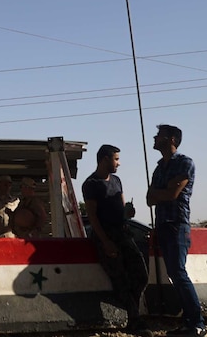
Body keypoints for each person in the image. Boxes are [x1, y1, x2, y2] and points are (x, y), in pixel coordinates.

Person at [82, 144, 151, 337]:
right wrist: (105, 241)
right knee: (120, 278)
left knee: (140, 275)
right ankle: (134, 319)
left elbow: (122, 210)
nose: (118, 163)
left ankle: (134, 315)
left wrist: (128, 213)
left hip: (123, 233)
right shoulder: (91, 183)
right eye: (116, 159)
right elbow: (93, 216)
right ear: (105, 159)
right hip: (107, 236)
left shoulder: (117, 181)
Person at [146, 124, 207, 337]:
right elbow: (149, 198)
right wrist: (162, 192)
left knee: (179, 273)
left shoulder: (184, 163)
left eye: (159, 135)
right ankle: (188, 323)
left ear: (171, 139)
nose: (155, 137)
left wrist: (159, 193)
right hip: (162, 223)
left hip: (177, 223)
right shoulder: (158, 167)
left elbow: (171, 194)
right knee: (174, 273)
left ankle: (197, 324)